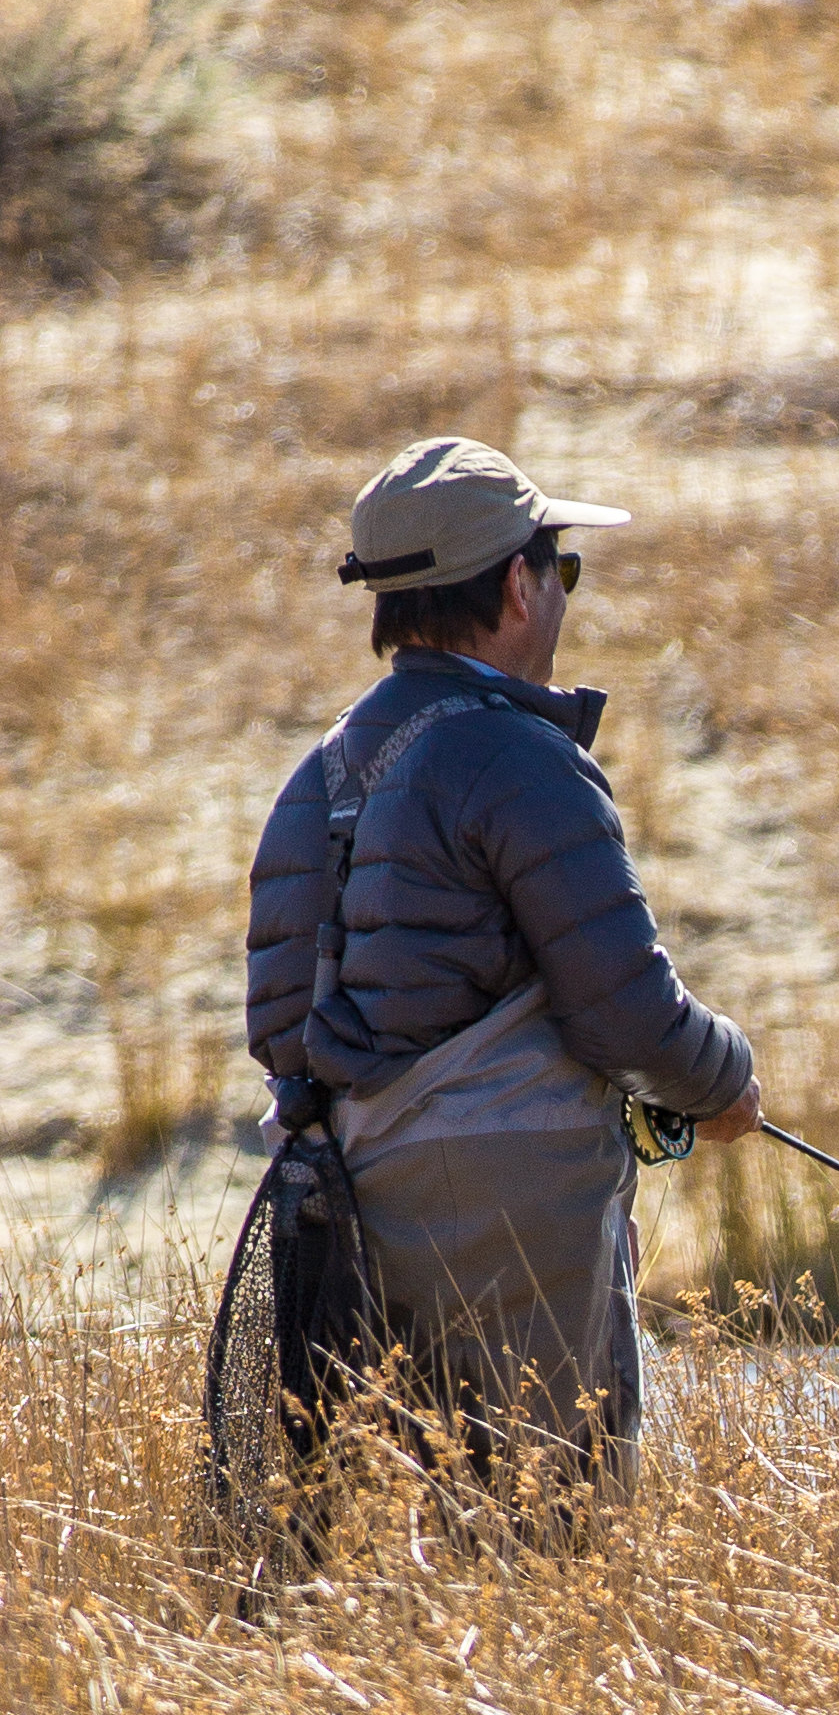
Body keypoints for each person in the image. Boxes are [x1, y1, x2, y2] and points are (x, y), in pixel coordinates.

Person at [243, 435, 762, 1501]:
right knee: (547, 1525)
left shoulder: (319, 770)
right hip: (513, 1209)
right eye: (560, 567)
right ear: (520, 587)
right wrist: (726, 1086)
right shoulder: (522, 759)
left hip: (335, 1203)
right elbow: (630, 1018)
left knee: (392, 1521)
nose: (564, 594)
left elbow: (283, 1026)